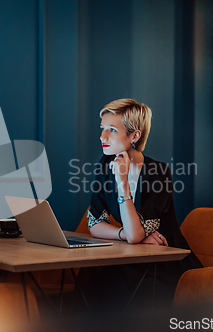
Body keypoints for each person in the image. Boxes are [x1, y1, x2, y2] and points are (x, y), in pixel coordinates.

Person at [81, 98, 202, 313]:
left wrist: (123, 183)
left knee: (116, 295)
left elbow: (136, 235)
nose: (102, 137)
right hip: (130, 258)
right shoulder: (106, 162)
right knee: (88, 285)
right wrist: (123, 233)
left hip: (165, 263)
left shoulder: (160, 173)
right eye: (102, 129)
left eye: (111, 130)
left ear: (134, 135)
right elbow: (95, 223)